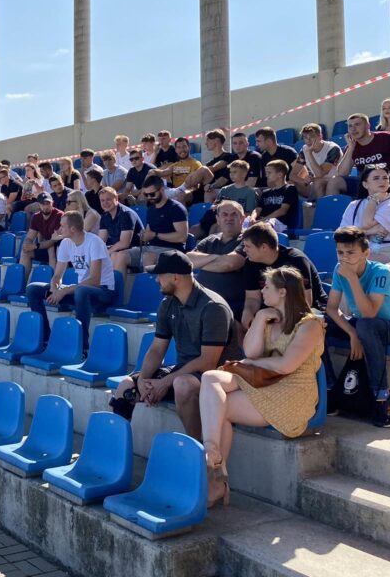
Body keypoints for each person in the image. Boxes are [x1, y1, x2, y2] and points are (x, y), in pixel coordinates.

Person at [198, 265, 325, 506]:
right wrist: (258, 319)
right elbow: (251, 351)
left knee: (219, 408)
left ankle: (216, 484)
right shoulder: (268, 318)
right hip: (264, 382)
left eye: (267, 287)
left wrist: (251, 362)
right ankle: (212, 451)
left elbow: (287, 365)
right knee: (210, 380)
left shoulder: (311, 324)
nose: (262, 291)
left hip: (291, 393)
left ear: (284, 292)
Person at [109, 251, 236, 440]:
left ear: (176, 277)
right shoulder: (167, 304)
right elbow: (157, 349)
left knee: (182, 384)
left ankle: (199, 449)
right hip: (184, 370)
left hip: (216, 375)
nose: (156, 280)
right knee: (127, 386)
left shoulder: (213, 307)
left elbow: (208, 362)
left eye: (160, 275)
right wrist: (143, 380)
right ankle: (113, 449)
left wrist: (165, 382)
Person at [323, 227, 390, 427]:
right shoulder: (339, 270)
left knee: (366, 325)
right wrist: (351, 333)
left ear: (365, 253)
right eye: (340, 253)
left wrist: (352, 278)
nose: (344, 258)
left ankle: (381, 395)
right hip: (361, 326)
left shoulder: (380, 272)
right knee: (318, 324)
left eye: (351, 253)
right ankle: (330, 389)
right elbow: (332, 308)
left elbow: (369, 313)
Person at [28, 211, 115, 353]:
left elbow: (94, 280)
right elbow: (57, 275)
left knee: (81, 290)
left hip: (103, 292)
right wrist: (55, 287)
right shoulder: (65, 243)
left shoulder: (95, 242)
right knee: (33, 289)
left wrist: (65, 290)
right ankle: (45, 339)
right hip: (82, 293)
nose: (59, 229)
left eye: (62, 226)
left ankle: (82, 347)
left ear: (73, 229)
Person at [240, 222, 326, 333]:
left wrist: (277, 316)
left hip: (309, 310)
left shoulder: (296, 260)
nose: (244, 250)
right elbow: (253, 298)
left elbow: (305, 302)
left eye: (248, 246)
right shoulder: (250, 262)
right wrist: (248, 312)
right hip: (274, 309)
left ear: (263, 247)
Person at [188, 201, 250, 320]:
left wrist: (201, 263)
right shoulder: (211, 239)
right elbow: (188, 259)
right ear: (217, 219)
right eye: (224, 215)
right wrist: (216, 257)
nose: (229, 218)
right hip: (203, 306)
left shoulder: (248, 239)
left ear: (242, 218)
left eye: (234, 214)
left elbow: (230, 263)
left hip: (232, 309)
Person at [339, 165, 390, 264]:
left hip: (388, 251)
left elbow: (367, 223)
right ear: (365, 184)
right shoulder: (354, 205)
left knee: (361, 265)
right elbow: (343, 235)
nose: (382, 181)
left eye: (385, 178)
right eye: (376, 178)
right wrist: (369, 231)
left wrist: (374, 199)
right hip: (359, 251)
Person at [329, 112, 390, 194]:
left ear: (368, 126)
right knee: (335, 181)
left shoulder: (387, 138)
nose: (353, 129)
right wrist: (351, 148)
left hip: (387, 179)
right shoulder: (351, 146)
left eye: (357, 124)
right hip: (364, 184)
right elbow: (342, 173)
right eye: (350, 126)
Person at [139, 176, 189, 269]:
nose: (149, 197)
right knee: (119, 255)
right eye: (146, 195)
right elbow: (149, 233)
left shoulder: (176, 208)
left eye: (152, 194)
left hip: (172, 250)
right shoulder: (151, 210)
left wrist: (156, 235)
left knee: (148, 256)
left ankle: (149, 283)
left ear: (162, 190)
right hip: (150, 248)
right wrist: (144, 236)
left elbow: (182, 237)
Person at [97, 186, 143, 273]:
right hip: (118, 250)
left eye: (108, 199)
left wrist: (107, 252)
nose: (105, 203)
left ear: (116, 198)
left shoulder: (126, 214)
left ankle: (116, 285)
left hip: (137, 250)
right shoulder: (105, 216)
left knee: (115, 255)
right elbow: (101, 241)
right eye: (102, 200)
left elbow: (124, 243)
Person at [291, 123, 342, 200]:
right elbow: (292, 175)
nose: (308, 140)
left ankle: (321, 208)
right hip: (316, 182)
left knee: (318, 182)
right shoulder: (304, 149)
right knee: (291, 184)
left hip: (335, 181)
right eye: (305, 137)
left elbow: (319, 174)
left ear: (320, 136)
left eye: (312, 137)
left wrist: (309, 153)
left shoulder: (333, 148)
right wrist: (304, 180)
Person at [250, 160, 299, 232]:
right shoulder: (265, 192)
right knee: (246, 221)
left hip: (281, 224)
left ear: (280, 174)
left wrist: (262, 220)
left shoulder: (290, 189)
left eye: (269, 173)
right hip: (263, 221)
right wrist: (252, 218)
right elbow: (258, 209)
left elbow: (283, 210)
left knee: (269, 223)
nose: (266, 175)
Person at [20, 193, 64, 273]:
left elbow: (54, 241)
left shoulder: (59, 215)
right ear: (38, 205)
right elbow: (30, 237)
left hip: (59, 249)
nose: (45, 207)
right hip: (45, 246)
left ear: (52, 203)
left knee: (51, 249)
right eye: (43, 204)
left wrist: (35, 246)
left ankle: (53, 282)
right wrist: (27, 244)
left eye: (48, 204)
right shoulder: (36, 217)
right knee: (25, 252)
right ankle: (22, 283)